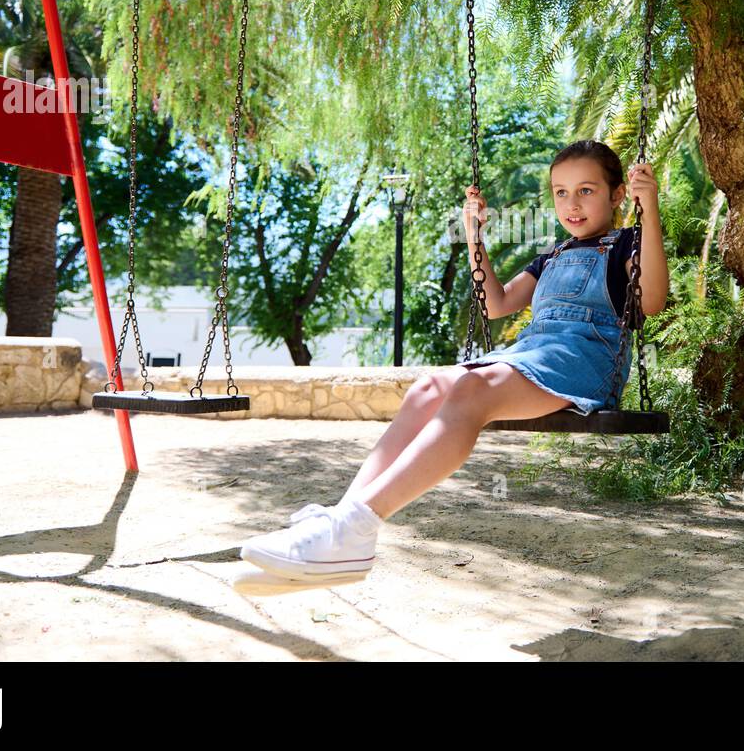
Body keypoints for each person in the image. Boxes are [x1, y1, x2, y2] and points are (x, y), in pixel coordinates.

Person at [237, 139, 668, 590]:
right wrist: (473, 235)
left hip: (585, 359)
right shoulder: (553, 256)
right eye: (561, 192)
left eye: (586, 190)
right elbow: (495, 303)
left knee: (469, 390)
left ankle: (354, 527)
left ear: (619, 194)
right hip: (532, 354)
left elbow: (652, 301)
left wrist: (650, 209)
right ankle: (340, 526)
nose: (572, 204)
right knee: (427, 387)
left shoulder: (627, 245)